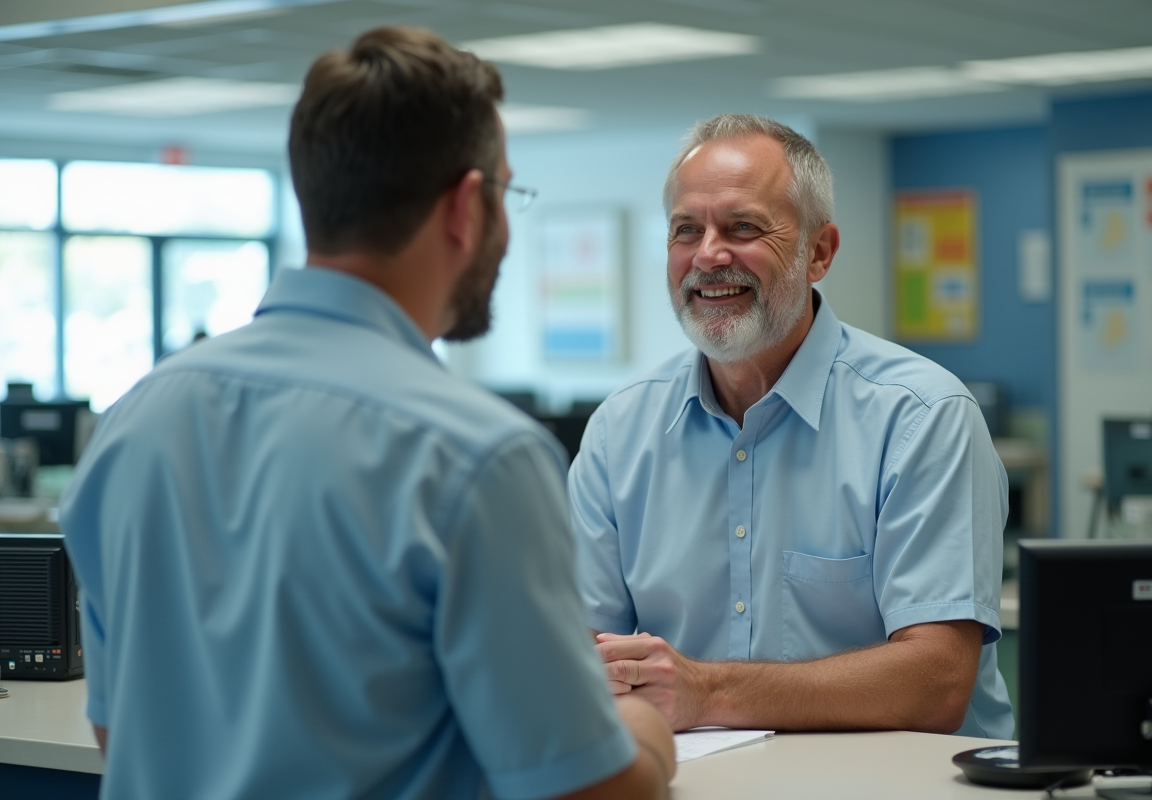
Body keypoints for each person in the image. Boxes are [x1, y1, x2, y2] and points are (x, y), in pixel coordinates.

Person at [59, 26, 673, 800]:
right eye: (506, 194)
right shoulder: (476, 457)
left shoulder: (131, 425)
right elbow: (588, 791)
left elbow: (121, 734)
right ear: (466, 207)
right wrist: (643, 732)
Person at [569, 114, 1013, 740]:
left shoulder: (920, 417)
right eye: (686, 229)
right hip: (701, 779)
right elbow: (580, 656)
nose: (708, 255)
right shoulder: (619, 431)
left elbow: (935, 682)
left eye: (743, 228)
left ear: (819, 253)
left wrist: (707, 692)